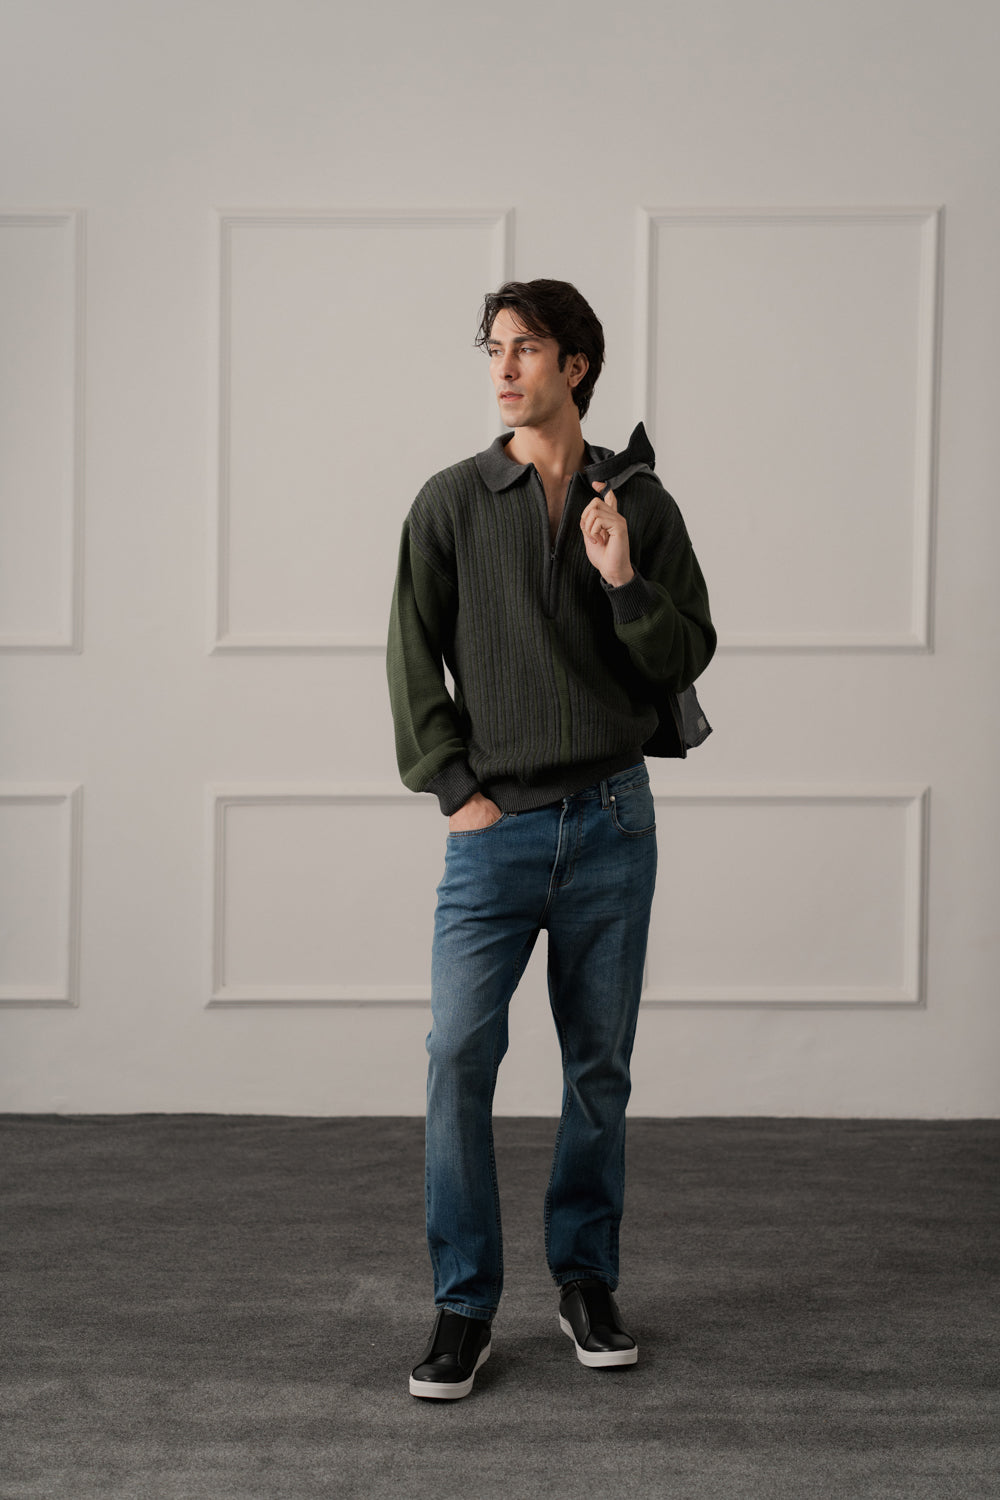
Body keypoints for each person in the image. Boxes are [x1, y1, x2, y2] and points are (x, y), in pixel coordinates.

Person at [387, 279, 715, 1399]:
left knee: (597, 1069)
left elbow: (685, 653)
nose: (502, 366)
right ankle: (463, 1306)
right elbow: (410, 656)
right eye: (493, 348)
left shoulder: (640, 504)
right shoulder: (449, 502)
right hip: (495, 832)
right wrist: (456, 791)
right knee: (456, 1057)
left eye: (525, 348)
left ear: (575, 365)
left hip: (614, 822)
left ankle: (585, 1282)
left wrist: (622, 579)